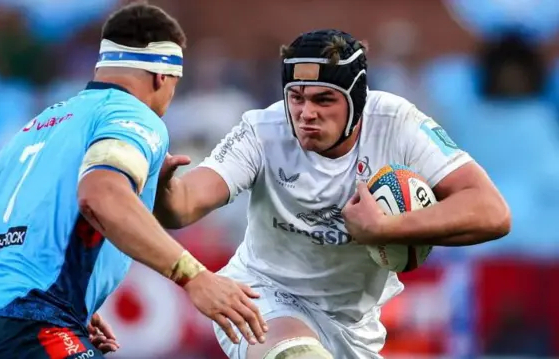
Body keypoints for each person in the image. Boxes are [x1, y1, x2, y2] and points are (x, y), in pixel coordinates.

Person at [0, 3, 266, 359]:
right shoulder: (133, 114)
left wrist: (50, 308)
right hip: (31, 329)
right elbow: (101, 195)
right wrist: (195, 277)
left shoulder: (32, 129)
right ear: (161, 77)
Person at [154, 29, 511, 359]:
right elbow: (184, 206)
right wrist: (166, 190)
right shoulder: (262, 130)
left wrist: (387, 229)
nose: (306, 113)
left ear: (356, 101)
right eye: (296, 97)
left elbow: (492, 212)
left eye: (324, 100)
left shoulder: (397, 124)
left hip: (355, 326)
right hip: (261, 294)